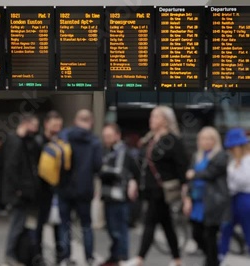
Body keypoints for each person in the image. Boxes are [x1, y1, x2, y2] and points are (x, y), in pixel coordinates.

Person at [124, 106, 189, 266]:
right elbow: (141, 165)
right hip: (150, 189)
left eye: (155, 117)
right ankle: (177, 259)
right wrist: (134, 181)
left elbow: (182, 168)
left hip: (163, 190)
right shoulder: (150, 140)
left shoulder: (173, 140)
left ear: (165, 120)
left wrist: (185, 192)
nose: (151, 120)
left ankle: (140, 258)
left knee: (150, 222)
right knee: (166, 225)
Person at [58, 109, 103, 266]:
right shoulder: (95, 141)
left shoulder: (64, 136)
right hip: (84, 190)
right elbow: (98, 166)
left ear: (76, 121)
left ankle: (65, 258)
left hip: (64, 188)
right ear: (90, 122)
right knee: (86, 225)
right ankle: (89, 258)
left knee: (65, 225)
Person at [182, 126, 229, 266]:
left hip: (212, 201)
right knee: (197, 234)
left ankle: (211, 261)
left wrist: (194, 174)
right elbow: (189, 179)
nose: (206, 141)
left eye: (209, 138)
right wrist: (188, 198)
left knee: (210, 235)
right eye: (203, 138)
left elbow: (210, 173)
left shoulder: (221, 156)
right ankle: (211, 257)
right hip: (197, 200)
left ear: (215, 140)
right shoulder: (197, 156)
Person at [2, 113, 40, 266]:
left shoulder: (24, 142)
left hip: (24, 191)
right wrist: (17, 188)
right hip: (18, 192)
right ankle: (9, 254)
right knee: (17, 225)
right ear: (26, 124)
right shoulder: (15, 142)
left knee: (20, 223)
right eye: (35, 126)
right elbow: (11, 168)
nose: (36, 130)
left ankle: (15, 253)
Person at [100, 124, 140, 266]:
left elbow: (119, 172)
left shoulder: (124, 152)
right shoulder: (106, 151)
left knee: (120, 230)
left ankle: (122, 258)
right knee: (112, 229)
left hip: (120, 197)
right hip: (108, 196)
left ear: (117, 135)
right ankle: (114, 256)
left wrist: (102, 169)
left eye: (109, 136)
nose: (106, 139)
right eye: (105, 136)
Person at [34, 111, 64, 264]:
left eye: (59, 126)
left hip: (58, 192)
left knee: (59, 225)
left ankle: (60, 256)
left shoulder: (62, 143)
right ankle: (37, 256)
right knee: (38, 225)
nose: (56, 129)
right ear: (46, 124)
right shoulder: (38, 142)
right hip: (41, 192)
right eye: (54, 125)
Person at [219, 128, 250, 262]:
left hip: (245, 198)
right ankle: (220, 256)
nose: (231, 150)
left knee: (248, 230)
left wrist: (234, 182)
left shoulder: (247, 160)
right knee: (226, 227)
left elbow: (244, 180)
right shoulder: (234, 161)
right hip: (234, 199)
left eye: (233, 147)